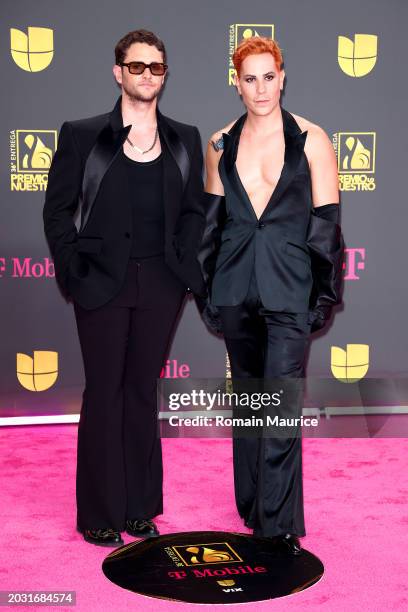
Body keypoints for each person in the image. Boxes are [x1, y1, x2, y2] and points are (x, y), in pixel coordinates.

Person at [43, 29, 205, 546]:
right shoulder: (83, 134)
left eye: (156, 68)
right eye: (137, 67)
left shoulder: (183, 137)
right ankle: (98, 513)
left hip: (160, 285)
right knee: (104, 393)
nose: (147, 76)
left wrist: (182, 270)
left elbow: (194, 214)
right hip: (101, 284)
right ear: (118, 72)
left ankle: (139, 508)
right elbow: (57, 211)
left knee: (140, 393)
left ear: (164, 75)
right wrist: (73, 271)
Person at [198, 36, 344, 555]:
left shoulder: (312, 139)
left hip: (289, 292)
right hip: (236, 289)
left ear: (283, 76)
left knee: (279, 409)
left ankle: (278, 527)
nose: (260, 88)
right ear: (237, 83)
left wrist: (321, 298)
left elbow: (326, 225)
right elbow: (210, 228)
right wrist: (208, 294)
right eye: (249, 78)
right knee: (250, 406)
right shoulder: (219, 144)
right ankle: (252, 504)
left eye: (268, 76)